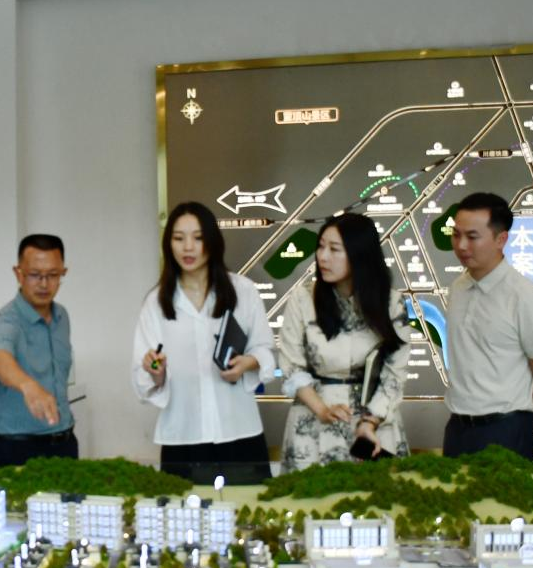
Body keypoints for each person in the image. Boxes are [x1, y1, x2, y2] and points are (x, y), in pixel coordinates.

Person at [133, 202, 274, 482]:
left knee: (251, 508)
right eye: (178, 238)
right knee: (183, 510)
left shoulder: (243, 291)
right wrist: (156, 371)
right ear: (168, 244)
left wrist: (248, 362)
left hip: (239, 432)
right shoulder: (156, 302)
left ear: (212, 242)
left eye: (197, 238)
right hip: (182, 438)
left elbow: (264, 349)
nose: (188, 247)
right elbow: (145, 375)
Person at [279, 213, 409, 470]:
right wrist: (321, 409)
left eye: (334, 249)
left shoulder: (391, 303)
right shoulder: (303, 299)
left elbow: (394, 373)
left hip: (373, 425)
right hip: (314, 419)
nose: (323, 257)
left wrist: (369, 422)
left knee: (375, 494)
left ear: (360, 255)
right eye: (321, 247)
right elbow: (292, 367)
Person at [443, 192, 533, 461]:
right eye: (456, 234)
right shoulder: (458, 287)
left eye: (472, 236)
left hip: (506, 429)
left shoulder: (525, 297)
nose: (461, 245)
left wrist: (522, 427)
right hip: (458, 428)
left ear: (501, 239)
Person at [0, 234, 78, 467]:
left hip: (65, 443)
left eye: (53, 275)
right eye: (35, 275)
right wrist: (28, 386)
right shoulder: (6, 320)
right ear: (19, 274)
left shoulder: (62, 316)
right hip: (19, 449)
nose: (44, 284)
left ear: (63, 273)